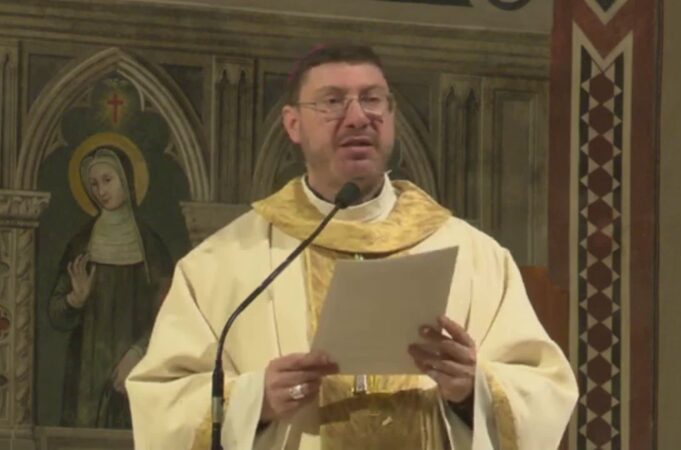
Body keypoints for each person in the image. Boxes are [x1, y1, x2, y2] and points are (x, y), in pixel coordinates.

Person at [127, 44, 578, 449]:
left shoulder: (476, 256)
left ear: (392, 117)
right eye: (332, 101)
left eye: (372, 98)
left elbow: (545, 390)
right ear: (293, 124)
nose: (358, 116)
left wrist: (473, 389)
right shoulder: (223, 263)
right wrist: (254, 400)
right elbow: (160, 402)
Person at [49, 147, 173, 428]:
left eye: (107, 180)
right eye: (93, 184)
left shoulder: (151, 246)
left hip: (136, 369)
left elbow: (172, 314)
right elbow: (54, 313)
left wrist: (138, 353)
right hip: (85, 377)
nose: (100, 191)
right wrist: (74, 301)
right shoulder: (81, 244)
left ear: (126, 180)